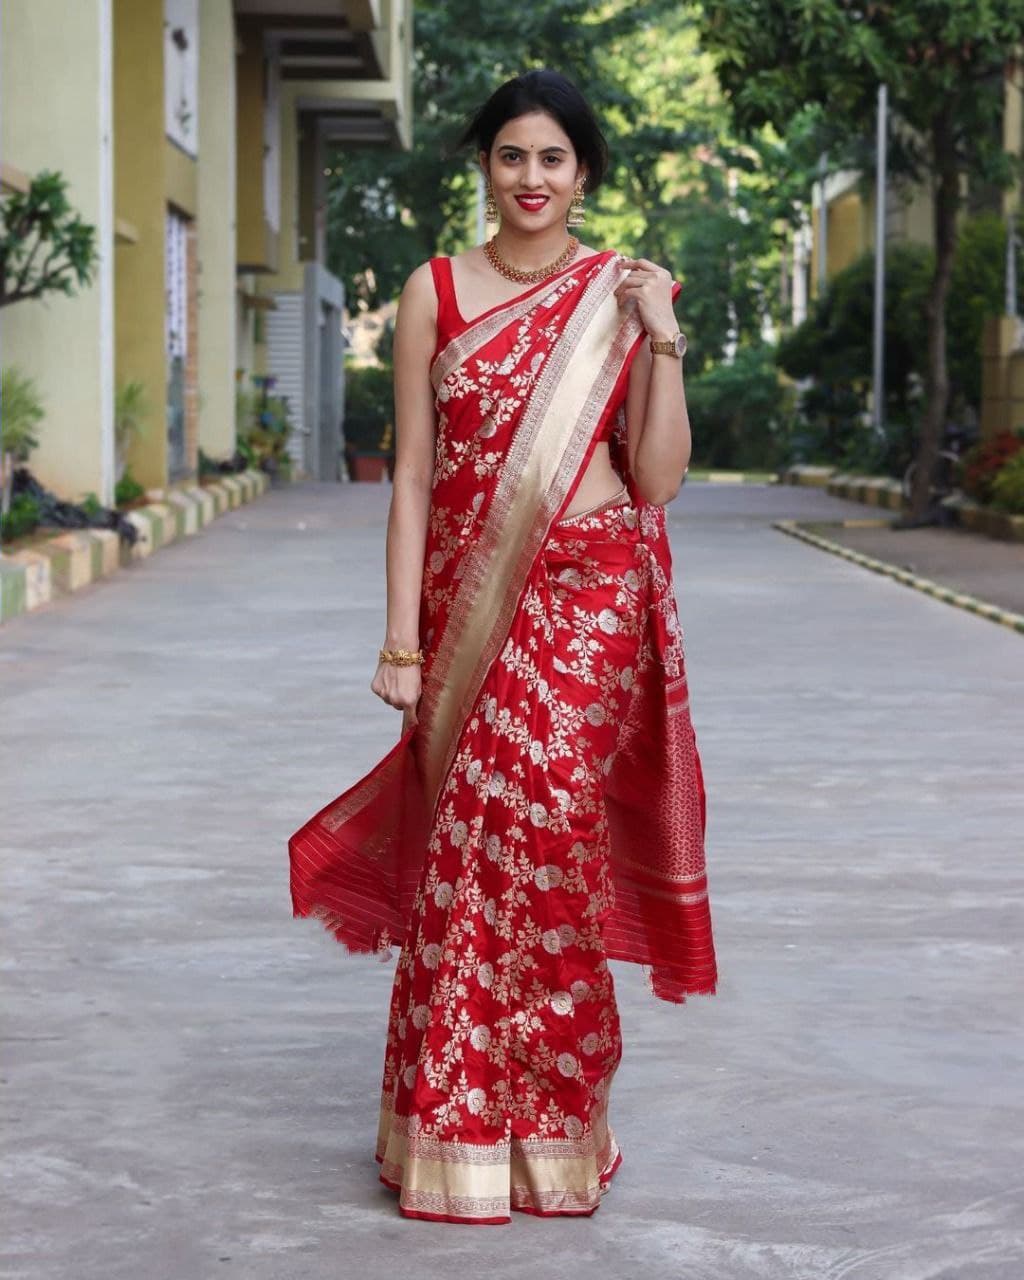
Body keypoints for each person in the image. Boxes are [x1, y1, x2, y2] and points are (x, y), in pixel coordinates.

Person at [289, 68, 718, 1225]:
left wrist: (663, 340)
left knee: (545, 830)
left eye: (554, 160)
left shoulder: (622, 293)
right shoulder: (434, 289)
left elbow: (660, 478)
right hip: (467, 613)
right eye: (512, 156)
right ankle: (459, 1127)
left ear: (585, 175)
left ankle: (560, 1122)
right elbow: (415, 476)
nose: (532, 179)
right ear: (483, 164)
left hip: (590, 598)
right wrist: (397, 640)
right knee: (468, 847)